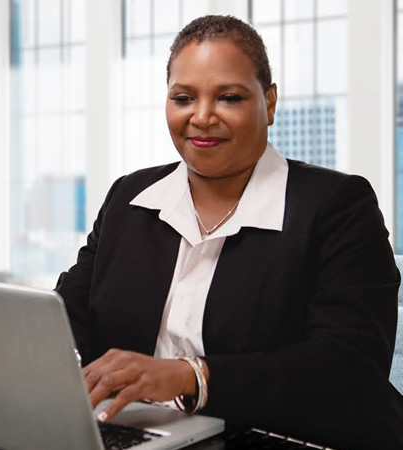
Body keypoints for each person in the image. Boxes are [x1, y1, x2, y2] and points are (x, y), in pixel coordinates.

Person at [55, 15, 403, 449]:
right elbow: (66, 318)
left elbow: (349, 366)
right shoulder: (131, 198)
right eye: (183, 98)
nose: (202, 117)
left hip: (296, 440)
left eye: (229, 97)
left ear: (269, 103)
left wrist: (190, 377)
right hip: (148, 433)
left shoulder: (337, 205)